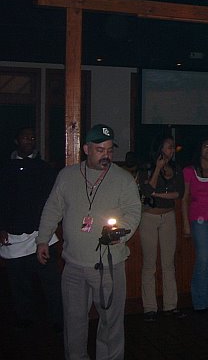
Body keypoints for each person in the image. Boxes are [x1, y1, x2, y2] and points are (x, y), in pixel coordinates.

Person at [36, 124, 141, 360]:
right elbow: (53, 209)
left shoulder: (123, 179)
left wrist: (120, 232)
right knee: (73, 323)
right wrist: (43, 239)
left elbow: (134, 211)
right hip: (73, 265)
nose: (106, 155)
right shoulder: (67, 176)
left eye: (109, 150)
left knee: (110, 323)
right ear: (86, 149)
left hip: (108, 266)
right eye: (100, 150)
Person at [0, 127, 62, 331]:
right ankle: (25, 319)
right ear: (16, 140)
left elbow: (53, 200)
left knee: (50, 280)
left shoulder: (44, 168)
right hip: (13, 233)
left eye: (32, 137)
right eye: (25, 136)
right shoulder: (5, 168)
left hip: (40, 233)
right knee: (19, 282)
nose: (29, 140)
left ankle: (58, 319)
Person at [139, 134, 186, 321]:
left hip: (168, 217)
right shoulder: (147, 167)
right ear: (159, 148)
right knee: (149, 264)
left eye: (173, 147)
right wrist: (157, 168)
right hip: (149, 217)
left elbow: (179, 193)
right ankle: (149, 308)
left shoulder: (176, 168)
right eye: (168, 146)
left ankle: (170, 306)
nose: (172, 150)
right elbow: (146, 190)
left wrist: (156, 194)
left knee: (168, 264)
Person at [181, 138, 208, 312]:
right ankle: (199, 302)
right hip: (198, 219)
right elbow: (185, 198)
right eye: (206, 146)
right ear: (199, 149)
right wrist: (185, 224)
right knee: (203, 259)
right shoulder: (189, 171)